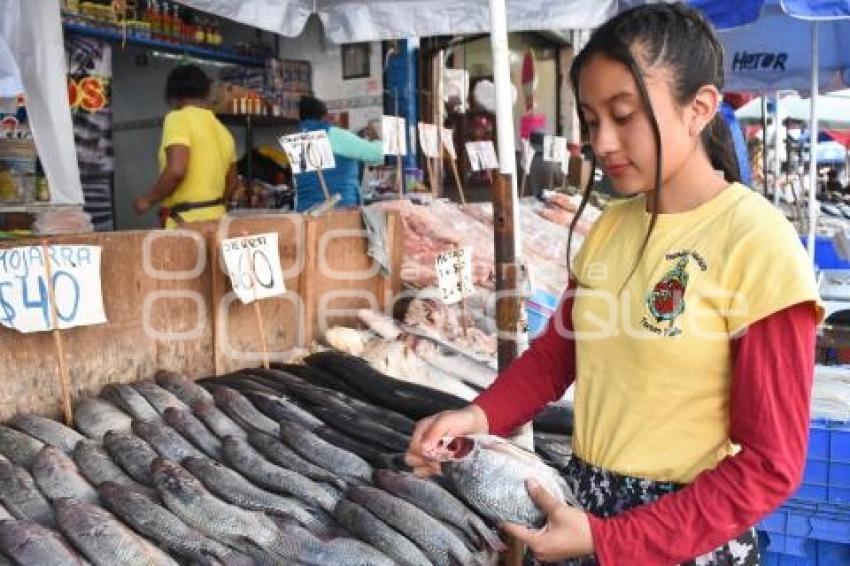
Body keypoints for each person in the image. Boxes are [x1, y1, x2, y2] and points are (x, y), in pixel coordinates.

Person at [405, 4, 822, 565]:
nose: (601, 142)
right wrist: (477, 417)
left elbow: (771, 465)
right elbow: (560, 353)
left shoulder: (756, 244)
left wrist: (615, 541)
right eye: (591, 118)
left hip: (684, 531)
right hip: (583, 509)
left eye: (624, 115)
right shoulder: (613, 226)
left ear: (699, 108)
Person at [133, 64, 237, 228]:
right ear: (205, 92)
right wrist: (212, 205)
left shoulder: (177, 118)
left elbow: (176, 170)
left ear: (174, 95)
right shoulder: (223, 130)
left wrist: (147, 200)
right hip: (219, 220)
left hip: (186, 222)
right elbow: (232, 182)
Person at [294, 95, 383, 212]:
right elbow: (377, 154)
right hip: (339, 210)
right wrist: (375, 136)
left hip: (306, 211)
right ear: (325, 117)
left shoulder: (297, 140)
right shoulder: (334, 135)